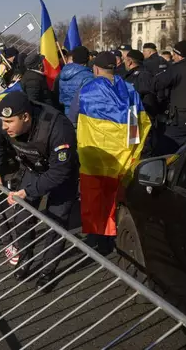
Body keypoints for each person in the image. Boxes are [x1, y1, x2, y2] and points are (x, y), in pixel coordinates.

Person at [0, 91, 78, 292]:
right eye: (3, 121)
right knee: (21, 217)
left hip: (61, 174)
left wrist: (28, 191)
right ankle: (26, 258)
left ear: (25, 117)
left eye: (10, 122)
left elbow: (59, 172)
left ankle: (47, 270)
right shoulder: (5, 124)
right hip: (34, 168)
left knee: (56, 222)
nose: (4, 126)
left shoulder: (59, 128)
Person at [76, 52, 150, 253]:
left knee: (94, 195)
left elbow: (76, 117)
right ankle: (117, 232)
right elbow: (139, 121)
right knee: (117, 192)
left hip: (96, 154)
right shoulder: (129, 89)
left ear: (96, 69)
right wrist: (132, 148)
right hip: (122, 153)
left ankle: (98, 237)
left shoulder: (87, 90)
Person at [55, 46, 93, 122]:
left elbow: (61, 98)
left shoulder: (62, 73)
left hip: (66, 114)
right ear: (87, 59)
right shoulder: (88, 77)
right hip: (82, 116)